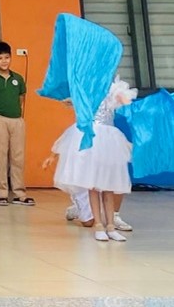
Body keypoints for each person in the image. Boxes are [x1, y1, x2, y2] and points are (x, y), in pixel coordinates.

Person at [50, 76, 136, 243]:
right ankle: (98, 225)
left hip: (108, 139)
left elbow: (125, 102)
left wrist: (120, 95)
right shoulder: (86, 88)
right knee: (93, 185)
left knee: (108, 185)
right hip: (91, 137)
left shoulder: (112, 89)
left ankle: (110, 226)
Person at [0, 41, 32, 207]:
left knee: (18, 157)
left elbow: (21, 98)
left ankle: (19, 193)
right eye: (0, 58)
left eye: (7, 57)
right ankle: (1, 193)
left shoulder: (18, 78)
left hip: (16, 120)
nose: (4, 61)